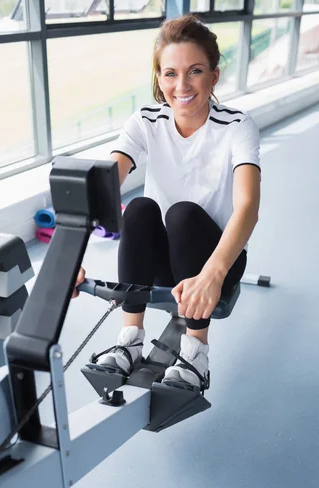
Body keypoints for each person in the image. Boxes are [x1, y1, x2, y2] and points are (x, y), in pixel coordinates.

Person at [73, 14, 261, 389]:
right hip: (166, 267)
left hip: (218, 266)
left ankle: (196, 352)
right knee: (140, 209)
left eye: (194, 71)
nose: (182, 85)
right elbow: (106, 185)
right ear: (159, 78)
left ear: (214, 76)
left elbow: (247, 208)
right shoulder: (144, 121)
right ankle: (130, 341)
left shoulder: (238, 126)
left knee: (182, 214)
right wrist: (71, 257)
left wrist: (212, 275)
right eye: (170, 73)